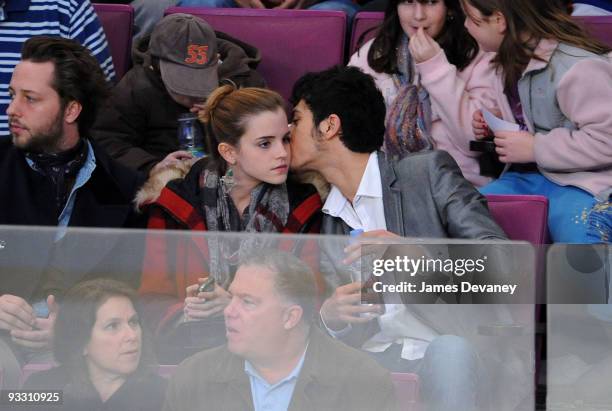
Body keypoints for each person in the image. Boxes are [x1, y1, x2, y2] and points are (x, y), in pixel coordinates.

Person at [289, 65, 509, 411]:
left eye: (297, 120)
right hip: (372, 362)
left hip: (451, 350)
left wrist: (416, 257)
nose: (288, 132)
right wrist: (333, 319)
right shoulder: (326, 218)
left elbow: (504, 269)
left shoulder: (426, 173)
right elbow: (347, 331)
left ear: (329, 126)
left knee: (449, 351)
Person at [0, 36, 146, 388]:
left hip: (85, 356)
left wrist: (74, 330)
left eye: (29, 99)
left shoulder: (126, 190)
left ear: (71, 110)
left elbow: (129, 293)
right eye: (12, 95)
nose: (11, 110)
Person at [136, 85, 322, 360]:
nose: (282, 153)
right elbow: (150, 301)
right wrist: (187, 312)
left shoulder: (304, 205)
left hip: (274, 358)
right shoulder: (175, 202)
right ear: (229, 152)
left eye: (285, 139)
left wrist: (237, 306)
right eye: (265, 143)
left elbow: (310, 300)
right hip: (190, 359)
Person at [163, 250, 397, 411]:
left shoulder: (362, 381)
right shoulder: (193, 378)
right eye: (232, 297)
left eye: (247, 302)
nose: (229, 311)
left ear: (290, 317)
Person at [464, 0, 612, 243]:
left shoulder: (577, 67)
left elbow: (606, 139)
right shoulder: (506, 61)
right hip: (528, 177)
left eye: (473, 20)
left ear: (500, 21)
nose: (466, 26)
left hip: (585, 184)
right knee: (466, 212)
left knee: (581, 245)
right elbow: (536, 118)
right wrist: (498, 122)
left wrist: (535, 147)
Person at [349, 0, 501, 186]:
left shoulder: (479, 52)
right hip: (388, 185)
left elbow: (473, 143)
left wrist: (435, 67)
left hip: (458, 186)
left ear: (449, 8)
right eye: (408, 2)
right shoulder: (372, 55)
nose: (418, 15)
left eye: (430, 2)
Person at [91, 13, 265, 174]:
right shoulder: (137, 86)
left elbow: (269, 136)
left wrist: (225, 112)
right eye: (183, 84)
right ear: (157, 65)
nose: (194, 95)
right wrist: (151, 166)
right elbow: (107, 140)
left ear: (216, 60)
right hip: (161, 182)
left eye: (202, 79)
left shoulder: (243, 81)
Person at [22, 278, 166, 411]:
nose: (132, 336)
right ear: (81, 341)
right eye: (113, 326)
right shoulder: (41, 388)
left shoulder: (165, 395)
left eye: (133, 322)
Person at [0, 0, 115, 136]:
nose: (10, 110)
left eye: (30, 98)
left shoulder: (67, 7)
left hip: (44, 152)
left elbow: (101, 108)